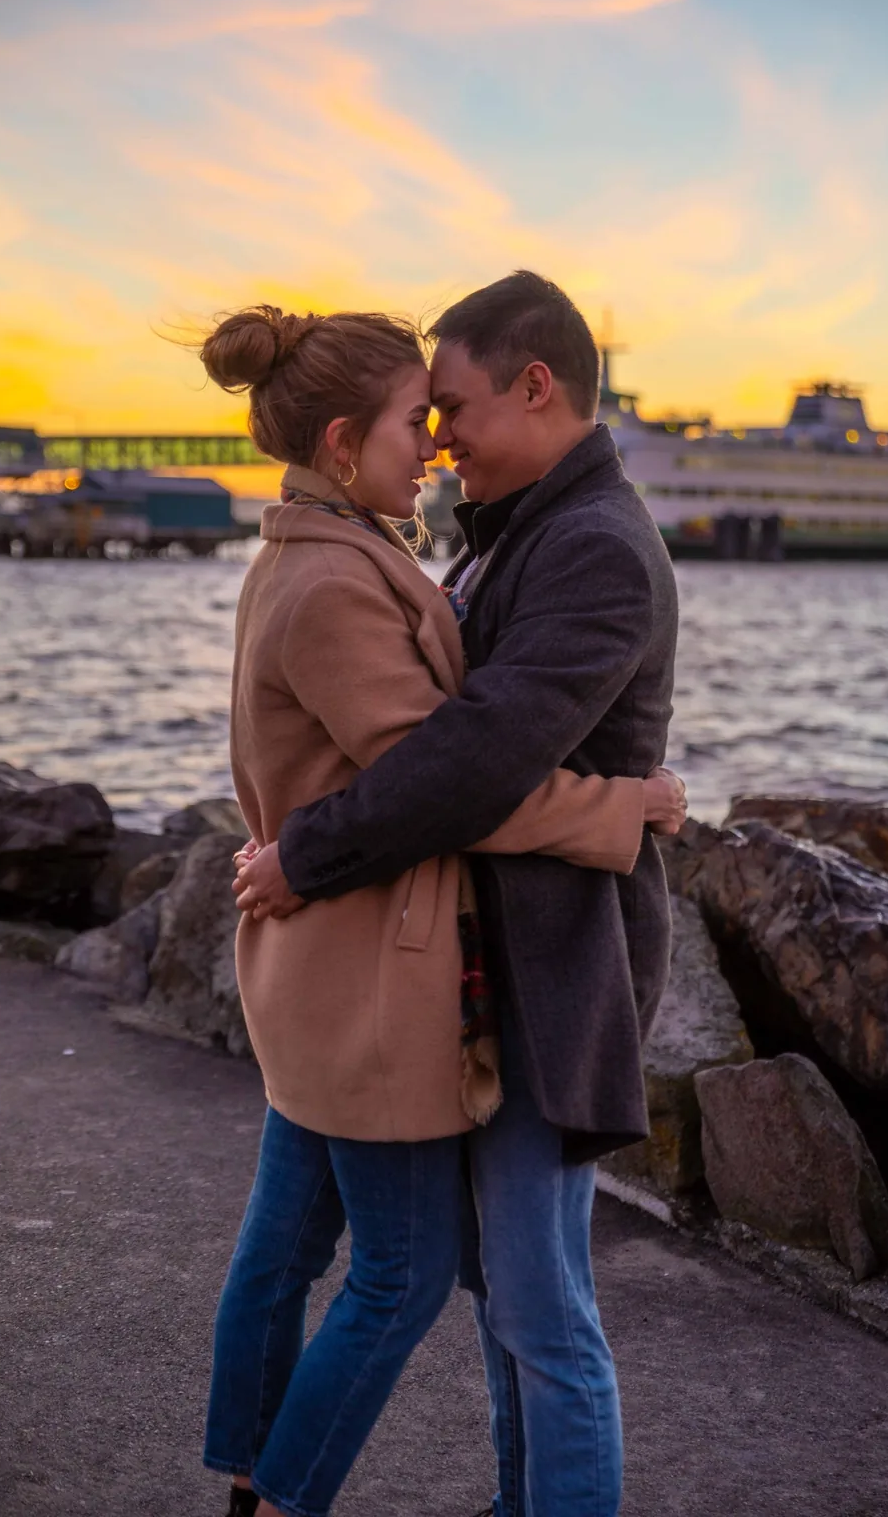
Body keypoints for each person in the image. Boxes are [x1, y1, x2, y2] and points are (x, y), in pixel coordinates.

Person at [200, 301, 686, 1517]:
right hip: (411, 958)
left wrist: (301, 852)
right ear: (339, 439)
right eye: (420, 417)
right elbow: (443, 766)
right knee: (454, 1284)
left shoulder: (580, 545)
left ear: (534, 386)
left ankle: (274, 1486)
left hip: (538, 965)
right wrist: (623, 804)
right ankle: (281, 1488)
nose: (437, 438)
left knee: (520, 1302)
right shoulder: (440, 546)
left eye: (447, 409)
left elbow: (459, 766)